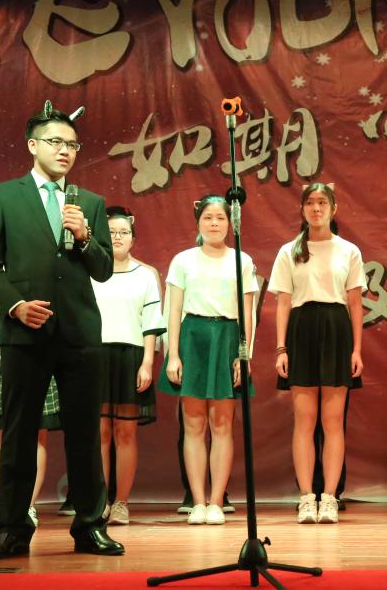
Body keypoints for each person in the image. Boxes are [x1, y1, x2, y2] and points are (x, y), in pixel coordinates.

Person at [0, 100, 120, 558]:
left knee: (84, 435)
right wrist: (15, 306)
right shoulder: (2, 196)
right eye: (56, 142)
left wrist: (85, 236)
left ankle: (90, 526)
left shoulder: (89, 203)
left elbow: (104, 270)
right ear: (32, 145)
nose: (65, 151)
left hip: (80, 333)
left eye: (73, 145)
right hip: (25, 334)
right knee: (18, 434)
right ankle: (13, 529)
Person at [270, 183, 365, 525]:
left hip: (337, 329)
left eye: (323, 202)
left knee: (333, 422)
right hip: (302, 330)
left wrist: (357, 349)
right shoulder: (289, 251)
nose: (316, 208)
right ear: (302, 209)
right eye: (310, 202)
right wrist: (281, 348)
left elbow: (355, 303)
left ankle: (329, 498)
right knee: (304, 420)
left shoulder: (348, 250)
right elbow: (283, 302)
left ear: (334, 208)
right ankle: (306, 498)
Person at [159, 195, 257, 525]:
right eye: (208, 218)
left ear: (231, 223)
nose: (214, 223)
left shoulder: (241, 260)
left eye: (220, 218)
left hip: (227, 339)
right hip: (193, 338)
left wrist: (244, 355)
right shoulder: (183, 260)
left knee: (222, 424)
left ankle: (216, 502)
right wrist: (173, 353)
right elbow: (173, 309)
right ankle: (198, 502)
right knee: (193, 424)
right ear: (198, 222)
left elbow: (248, 313)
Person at [96, 207, 164, 525]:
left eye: (123, 232)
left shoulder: (145, 275)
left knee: (125, 432)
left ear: (133, 238)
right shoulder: (90, 272)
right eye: (111, 232)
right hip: (96, 356)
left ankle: (121, 502)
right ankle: (99, 501)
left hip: (131, 356)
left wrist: (147, 363)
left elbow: (151, 324)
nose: (117, 237)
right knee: (99, 433)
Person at [0, 298, 61, 528]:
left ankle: (29, 505)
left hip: (44, 353)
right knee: (5, 431)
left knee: (39, 433)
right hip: (7, 354)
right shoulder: (3, 279)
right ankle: (10, 502)